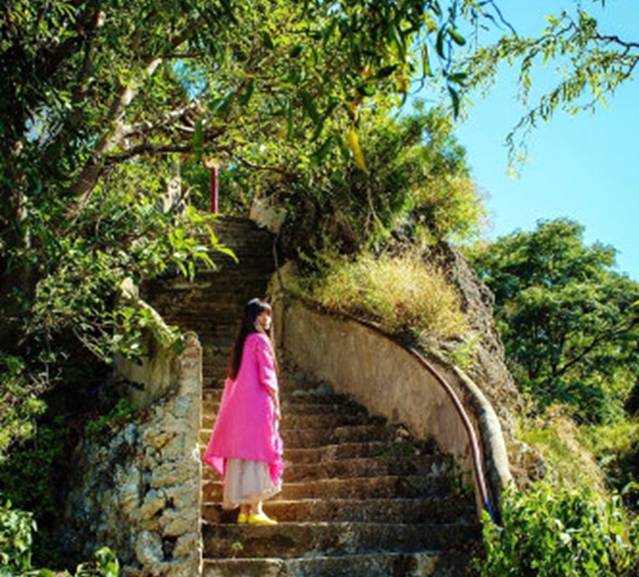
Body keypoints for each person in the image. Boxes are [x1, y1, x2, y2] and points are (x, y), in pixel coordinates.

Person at [202, 298, 284, 525]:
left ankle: (245, 512)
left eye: (268, 314)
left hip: (240, 408)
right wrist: (276, 403)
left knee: (245, 454)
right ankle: (256, 510)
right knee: (259, 453)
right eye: (263, 314)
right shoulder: (260, 340)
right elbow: (268, 376)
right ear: (254, 318)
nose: (267, 319)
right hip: (258, 404)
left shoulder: (242, 343)